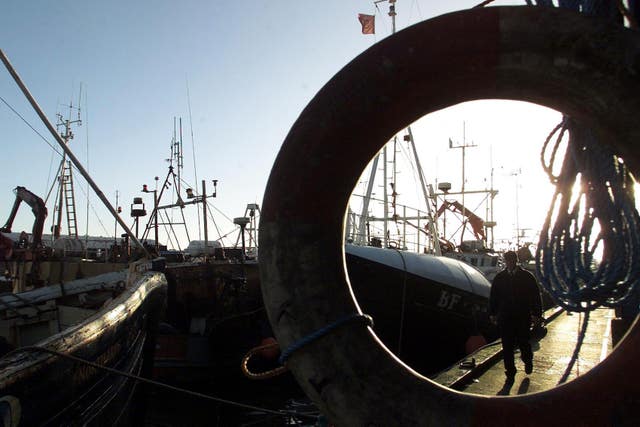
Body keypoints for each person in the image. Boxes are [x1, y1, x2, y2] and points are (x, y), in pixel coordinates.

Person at [489, 250, 542, 381]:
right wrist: (492, 313)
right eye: (507, 261)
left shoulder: (527, 277)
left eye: (511, 260)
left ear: (515, 261)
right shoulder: (500, 278)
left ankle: (527, 360)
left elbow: (535, 296)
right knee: (507, 345)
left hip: (522, 316)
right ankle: (510, 371)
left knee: (524, 342)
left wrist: (536, 314)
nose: (509, 263)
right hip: (505, 316)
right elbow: (494, 297)